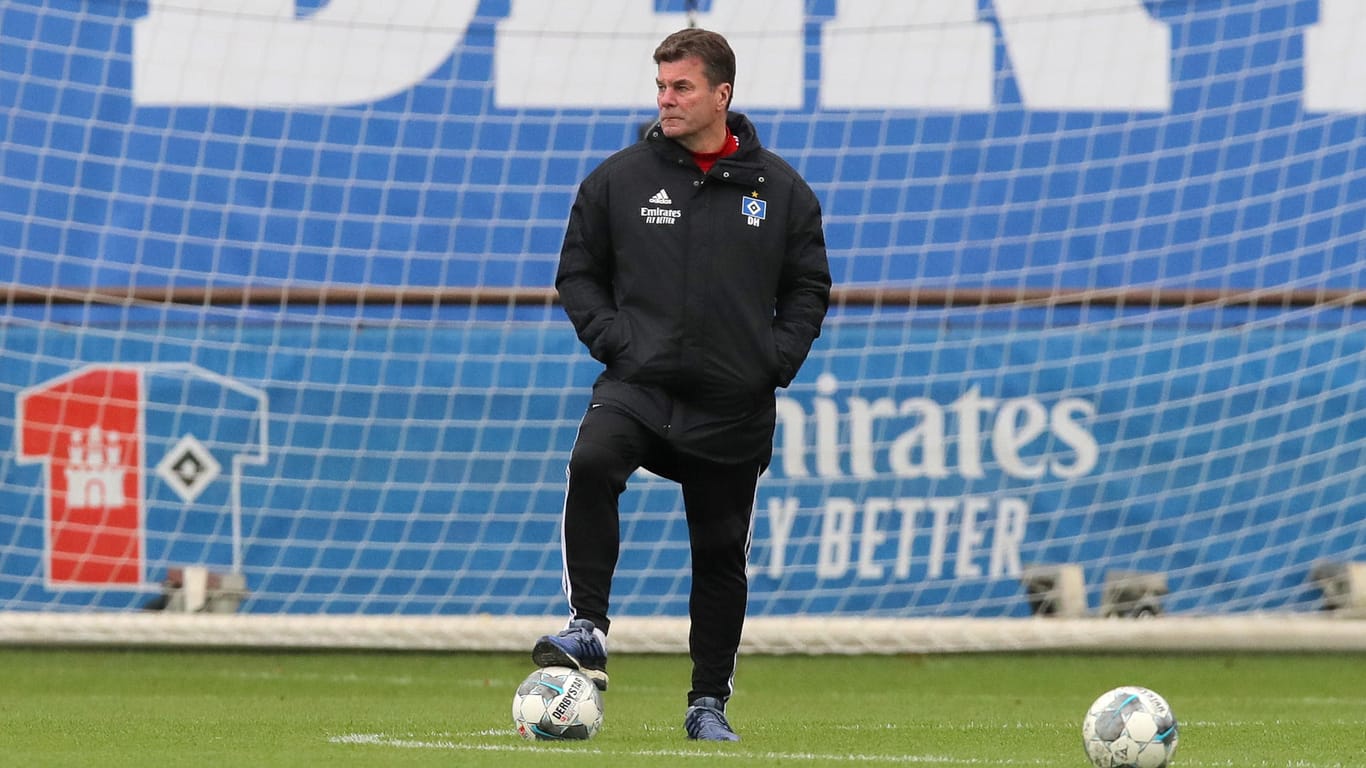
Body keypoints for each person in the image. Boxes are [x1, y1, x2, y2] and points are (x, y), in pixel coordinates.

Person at [532, 27, 831, 742]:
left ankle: (707, 706)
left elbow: (809, 286)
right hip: (641, 382)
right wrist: (615, 341)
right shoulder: (619, 180)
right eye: (661, 86)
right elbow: (577, 272)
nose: (666, 99)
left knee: (721, 553)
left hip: (734, 401)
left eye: (682, 87)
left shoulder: (781, 191)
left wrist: (771, 361)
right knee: (593, 459)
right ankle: (589, 629)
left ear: (721, 94)